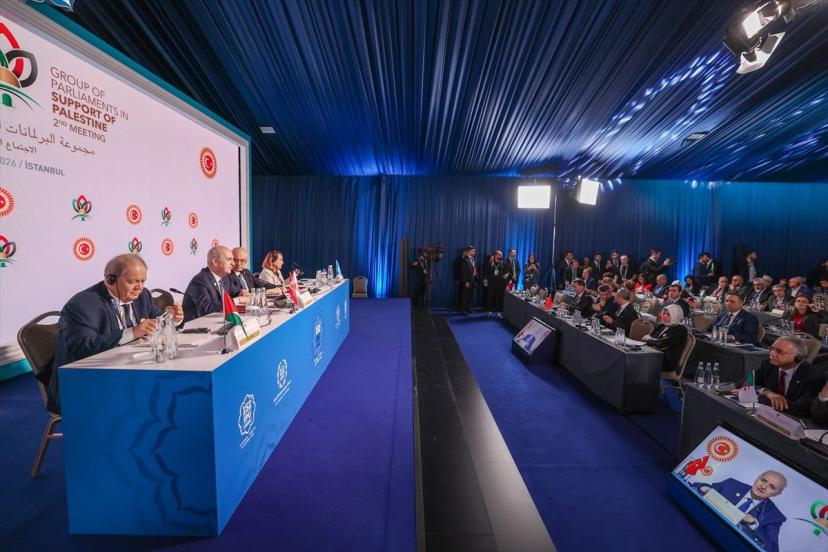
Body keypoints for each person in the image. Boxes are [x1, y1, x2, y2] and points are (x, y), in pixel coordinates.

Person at [50, 254, 184, 412]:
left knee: (171, 389)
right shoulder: (82, 305)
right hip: (85, 382)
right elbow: (82, 348)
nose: (139, 287)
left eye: (142, 281)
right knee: (155, 395)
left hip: (129, 371)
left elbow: (158, 320)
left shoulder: (143, 296)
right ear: (110, 279)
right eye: (132, 281)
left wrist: (173, 319)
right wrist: (133, 332)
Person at [695, 471, 787, 552]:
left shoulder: (774, 516)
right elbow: (698, 486)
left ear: (776, 494)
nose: (763, 486)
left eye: (772, 487)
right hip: (701, 527)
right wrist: (706, 490)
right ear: (758, 477)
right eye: (763, 480)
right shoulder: (732, 484)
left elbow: (772, 549)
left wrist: (754, 524)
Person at [744, 336, 826, 417]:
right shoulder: (767, 364)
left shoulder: (815, 377)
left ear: (798, 358)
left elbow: (802, 409)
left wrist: (762, 398)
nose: (772, 353)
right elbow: (746, 383)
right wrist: (767, 392)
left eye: (780, 352)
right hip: (767, 413)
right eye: (772, 349)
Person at [183, 245, 249, 322]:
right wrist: (238, 300)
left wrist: (241, 293)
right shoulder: (200, 280)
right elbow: (206, 309)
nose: (233, 263)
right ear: (215, 262)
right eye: (229, 259)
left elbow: (235, 293)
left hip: (217, 322)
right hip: (197, 326)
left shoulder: (225, 278)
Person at [642, 304, 689, 374]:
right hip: (653, 354)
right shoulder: (662, 325)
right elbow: (650, 338)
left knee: (638, 359)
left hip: (666, 360)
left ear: (676, 315)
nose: (664, 316)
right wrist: (650, 340)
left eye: (668, 314)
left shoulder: (680, 329)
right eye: (664, 313)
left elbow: (663, 344)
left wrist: (649, 340)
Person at [459, 246, 478, 316]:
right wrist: (465, 281)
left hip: (473, 280)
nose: (474, 252)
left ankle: (468, 308)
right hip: (467, 281)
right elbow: (463, 272)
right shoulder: (465, 260)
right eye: (473, 251)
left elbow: (474, 270)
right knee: (465, 296)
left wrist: (475, 279)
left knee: (470, 295)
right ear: (469, 251)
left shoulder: (472, 259)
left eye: (474, 251)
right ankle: (463, 310)